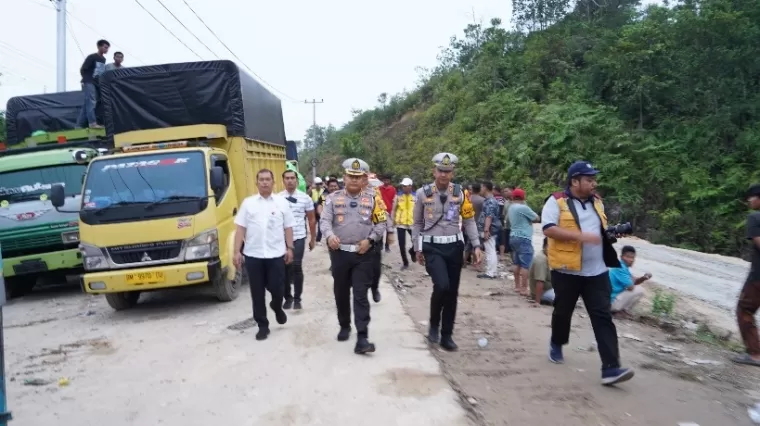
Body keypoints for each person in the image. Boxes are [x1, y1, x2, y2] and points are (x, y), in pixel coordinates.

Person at [541, 160, 633, 385]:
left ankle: (611, 368)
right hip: (566, 271)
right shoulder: (556, 202)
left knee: (603, 317)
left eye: (594, 179)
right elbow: (548, 229)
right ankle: (557, 342)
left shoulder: (598, 202)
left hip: (597, 272)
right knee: (563, 313)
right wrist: (580, 237)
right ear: (575, 181)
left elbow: (598, 232)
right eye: (589, 180)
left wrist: (609, 235)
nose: (594, 183)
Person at [412, 152, 481, 351]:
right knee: (441, 285)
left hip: (454, 247)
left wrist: (476, 245)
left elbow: (468, 220)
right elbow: (417, 223)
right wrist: (417, 247)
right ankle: (434, 323)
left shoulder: (461, 193)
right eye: (440, 170)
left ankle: (447, 335)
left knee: (452, 292)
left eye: (447, 171)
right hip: (432, 247)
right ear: (434, 171)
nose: (443, 174)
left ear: (452, 173)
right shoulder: (423, 193)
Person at [320, 158, 388, 354]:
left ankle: (362, 337)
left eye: (358, 177)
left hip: (363, 254)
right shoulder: (332, 199)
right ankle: (344, 325)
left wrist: (371, 240)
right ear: (344, 177)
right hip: (340, 254)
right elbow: (325, 221)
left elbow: (381, 223)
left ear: (364, 179)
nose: (354, 180)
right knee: (341, 292)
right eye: (351, 176)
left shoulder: (373, 199)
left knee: (360, 295)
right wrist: (330, 235)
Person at [233, 169, 295, 341]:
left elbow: (288, 227)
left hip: (276, 254)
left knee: (277, 287)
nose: (265, 182)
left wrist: (290, 248)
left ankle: (277, 306)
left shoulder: (282, 202)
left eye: (268, 179)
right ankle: (262, 325)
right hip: (254, 255)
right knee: (257, 292)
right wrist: (236, 251)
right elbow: (240, 229)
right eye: (261, 179)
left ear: (273, 182)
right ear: (257, 182)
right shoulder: (248, 203)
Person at [278, 169, 317, 310]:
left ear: (297, 180)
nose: (290, 181)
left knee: (296, 266)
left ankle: (297, 299)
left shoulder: (305, 198)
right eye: (287, 178)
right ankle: (287, 297)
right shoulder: (277, 198)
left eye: (292, 178)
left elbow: (312, 220)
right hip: (281, 239)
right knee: (284, 268)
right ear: (283, 180)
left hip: (299, 236)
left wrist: (313, 239)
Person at [733, 184, 760, 366]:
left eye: (750, 198)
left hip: (758, 276)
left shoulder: (754, 217)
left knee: (744, 310)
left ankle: (755, 354)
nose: (749, 202)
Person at [508, 188, 540, 296]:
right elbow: (537, 218)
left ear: (512, 197)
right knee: (526, 265)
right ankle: (524, 288)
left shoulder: (511, 207)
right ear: (523, 197)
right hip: (524, 237)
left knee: (517, 262)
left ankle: (517, 286)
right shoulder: (523, 208)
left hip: (513, 236)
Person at [363, 173, 387, 303]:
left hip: (374, 237)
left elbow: (383, 216)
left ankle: (374, 288)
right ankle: (362, 292)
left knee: (376, 268)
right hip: (358, 239)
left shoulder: (376, 196)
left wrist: (389, 232)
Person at [609, 246, 650, 318]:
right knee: (640, 290)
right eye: (628, 257)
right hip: (610, 302)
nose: (631, 260)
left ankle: (620, 311)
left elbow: (634, 281)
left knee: (636, 288)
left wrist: (643, 278)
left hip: (608, 300)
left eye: (632, 258)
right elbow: (631, 287)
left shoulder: (623, 267)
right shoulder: (620, 268)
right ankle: (620, 310)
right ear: (621, 257)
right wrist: (632, 280)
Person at [77, 39, 109, 129]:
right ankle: (92, 123)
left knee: (87, 104)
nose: (106, 49)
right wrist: (85, 79)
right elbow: (83, 69)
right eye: (105, 47)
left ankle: (78, 125)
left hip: (96, 83)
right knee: (91, 102)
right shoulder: (92, 57)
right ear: (99, 47)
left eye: (107, 48)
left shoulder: (103, 59)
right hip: (89, 82)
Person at [391, 177, 417, 270]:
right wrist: (392, 220)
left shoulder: (415, 196)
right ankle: (405, 262)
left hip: (412, 223)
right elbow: (394, 209)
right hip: (401, 223)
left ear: (410, 186)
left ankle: (412, 252)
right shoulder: (398, 196)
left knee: (416, 241)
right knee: (401, 244)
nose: (404, 187)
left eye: (406, 186)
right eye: (403, 186)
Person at [477, 181, 501, 279]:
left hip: (490, 228)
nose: (480, 189)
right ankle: (492, 271)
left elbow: (489, 216)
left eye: (482, 187)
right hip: (491, 228)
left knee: (490, 249)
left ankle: (490, 272)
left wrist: (486, 229)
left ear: (485, 188)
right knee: (490, 249)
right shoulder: (489, 200)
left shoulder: (490, 201)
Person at [528, 238, 555, 306]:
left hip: (549, 288)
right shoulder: (541, 260)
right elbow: (539, 281)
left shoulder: (547, 256)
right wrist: (537, 301)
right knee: (566, 299)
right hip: (543, 292)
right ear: (545, 246)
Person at [378, 175, 397, 253]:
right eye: (385, 180)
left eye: (387, 180)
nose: (386, 181)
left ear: (389, 181)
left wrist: (393, 213)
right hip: (381, 212)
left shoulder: (393, 189)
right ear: (383, 180)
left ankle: (387, 246)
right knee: (380, 229)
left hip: (389, 212)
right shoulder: (379, 188)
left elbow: (394, 201)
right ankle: (380, 245)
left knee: (389, 230)